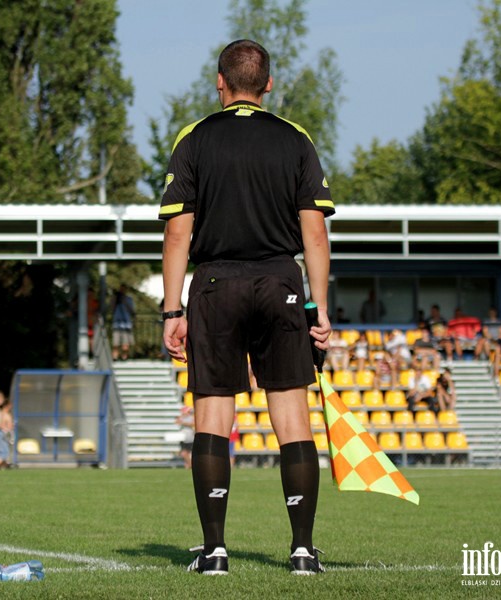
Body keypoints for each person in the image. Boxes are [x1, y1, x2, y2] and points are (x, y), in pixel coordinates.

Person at [159, 39, 333, 576]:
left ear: (220, 82)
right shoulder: (296, 139)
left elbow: (177, 233)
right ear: (269, 86)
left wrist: (172, 311)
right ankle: (302, 551)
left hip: (215, 284)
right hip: (281, 281)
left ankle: (214, 552)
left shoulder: (195, 138)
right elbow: (316, 233)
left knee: (213, 417)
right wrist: (318, 307)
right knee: (293, 422)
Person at [111, 285, 136, 361]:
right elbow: (112, 308)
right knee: (115, 343)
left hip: (126, 324)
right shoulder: (115, 299)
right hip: (116, 323)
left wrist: (124, 301)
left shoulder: (128, 299)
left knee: (126, 343)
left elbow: (132, 311)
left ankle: (124, 357)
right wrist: (115, 299)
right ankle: (115, 357)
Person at [175, 405, 195, 469]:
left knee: (187, 453)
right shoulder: (181, 417)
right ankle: (189, 465)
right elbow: (176, 422)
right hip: (183, 438)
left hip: (190, 438)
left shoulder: (191, 417)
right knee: (184, 453)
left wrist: (183, 422)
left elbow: (192, 424)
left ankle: (189, 465)